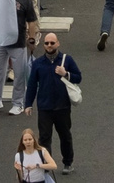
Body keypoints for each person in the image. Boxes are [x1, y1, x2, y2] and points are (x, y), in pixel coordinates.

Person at [23, 32, 81, 174]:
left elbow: (78, 77)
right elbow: (31, 85)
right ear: (44, 45)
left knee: (65, 135)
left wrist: (66, 73)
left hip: (63, 107)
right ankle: (46, 165)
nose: (49, 45)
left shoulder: (67, 60)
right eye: (47, 43)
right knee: (44, 138)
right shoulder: (37, 63)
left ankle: (68, 163)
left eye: (52, 43)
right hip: (45, 107)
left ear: (58, 43)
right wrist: (28, 104)